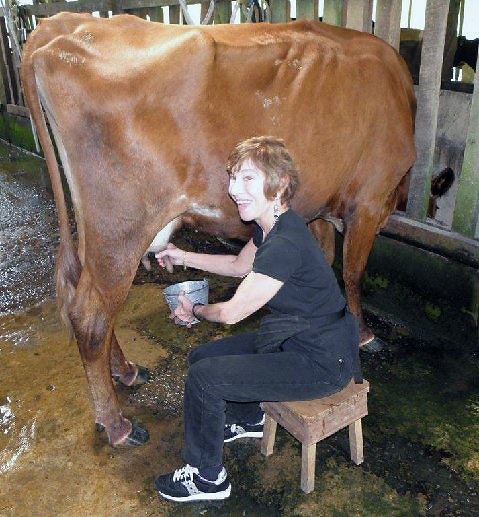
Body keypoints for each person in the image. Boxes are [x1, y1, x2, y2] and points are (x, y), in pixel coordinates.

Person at [153, 136, 362, 503]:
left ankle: (208, 477)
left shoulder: (285, 244)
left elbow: (232, 313)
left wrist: (195, 310)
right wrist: (183, 255)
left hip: (322, 359)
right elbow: (238, 266)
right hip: (293, 338)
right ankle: (249, 419)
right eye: (233, 178)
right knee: (201, 358)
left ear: (280, 184)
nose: (234, 190)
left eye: (248, 179)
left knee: (204, 379)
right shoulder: (272, 225)